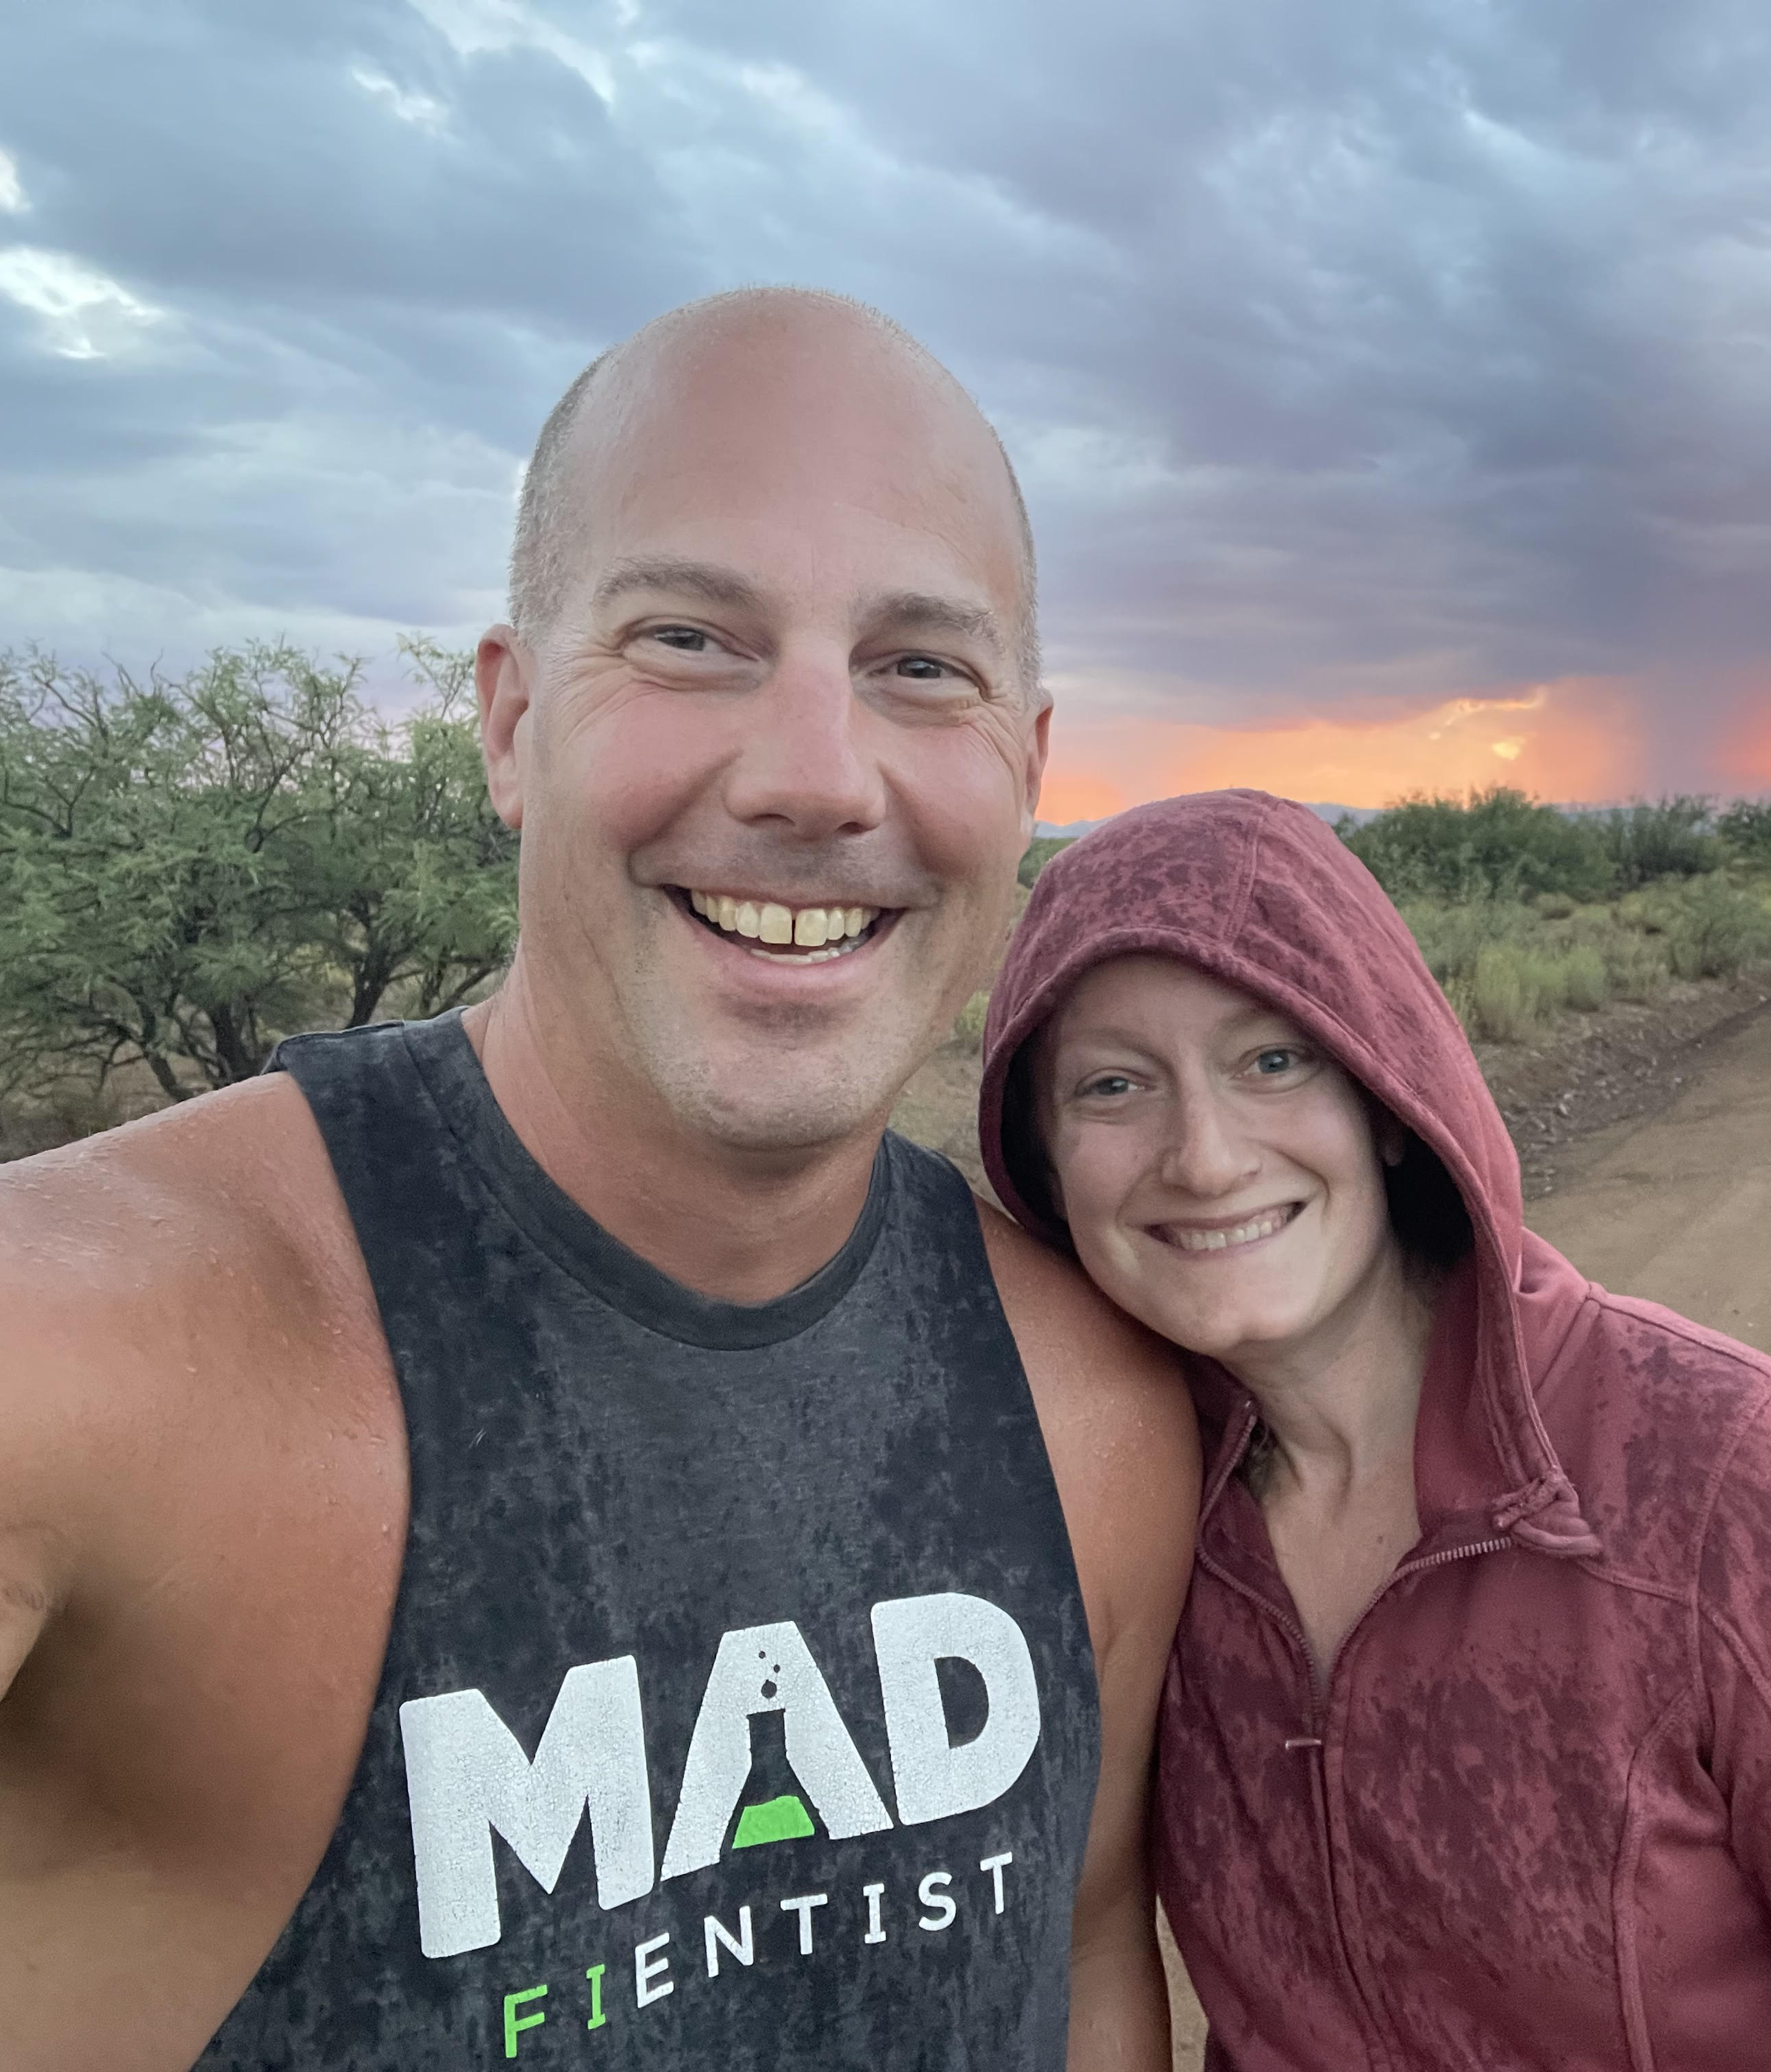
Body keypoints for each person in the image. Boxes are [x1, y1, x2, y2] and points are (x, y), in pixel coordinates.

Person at [0, 289, 1199, 2070]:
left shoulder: (1091, 1407)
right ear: (510, 721)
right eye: (693, 638)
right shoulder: (91, 1347)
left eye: (920, 666)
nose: (814, 774)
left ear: (1024, 772)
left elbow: (1092, 1971)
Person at [979, 789, 1771, 2070]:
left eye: (1275, 1059)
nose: (1206, 1157)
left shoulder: (1726, 1480)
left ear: (1384, 1094)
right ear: (1046, 1166)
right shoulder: (1119, 1507)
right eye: (1114, 1086)